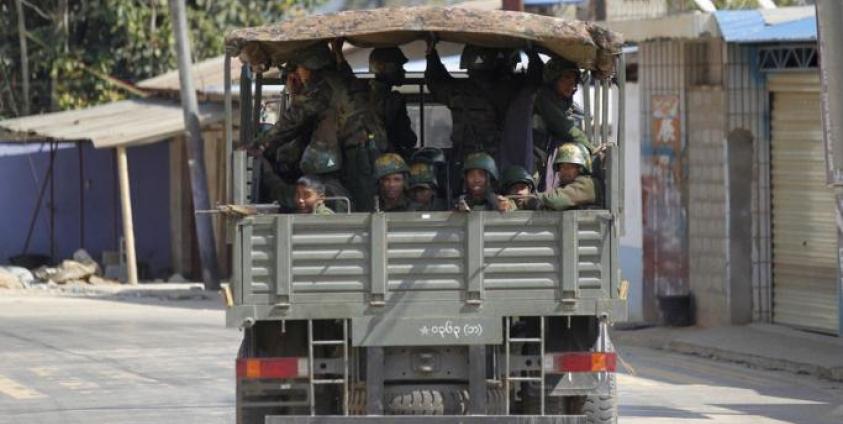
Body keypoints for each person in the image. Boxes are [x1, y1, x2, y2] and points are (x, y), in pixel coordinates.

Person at [253, 43, 387, 212]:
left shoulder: (321, 86)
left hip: (360, 149)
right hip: (368, 145)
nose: (298, 73)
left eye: (300, 67)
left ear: (309, 66)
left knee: (364, 204)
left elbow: (294, 119)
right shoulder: (340, 78)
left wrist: (261, 144)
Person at [426, 40, 537, 159]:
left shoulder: (456, 91)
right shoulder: (507, 92)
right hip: (495, 161)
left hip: (463, 159)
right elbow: (533, 82)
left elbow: (435, 82)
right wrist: (532, 53)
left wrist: (432, 55)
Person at [335, 41, 417, 159]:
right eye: (398, 66)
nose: (403, 71)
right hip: (387, 159)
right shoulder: (394, 100)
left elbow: (346, 77)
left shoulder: (360, 90)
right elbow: (408, 139)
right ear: (381, 67)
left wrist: (338, 53)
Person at [533, 56, 592, 191]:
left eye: (574, 79)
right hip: (536, 158)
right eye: (566, 77)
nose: (572, 84)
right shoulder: (543, 98)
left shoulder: (572, 107)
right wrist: (591, 149)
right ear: (554, 79)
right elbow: (564, 128)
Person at [536, 143, 598, 211]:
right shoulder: (566, 186)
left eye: (568, 167)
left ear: (580, 168)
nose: (563, 171)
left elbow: (557, 201)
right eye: (561, 167)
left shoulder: (587, 184)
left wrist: (534, 199)